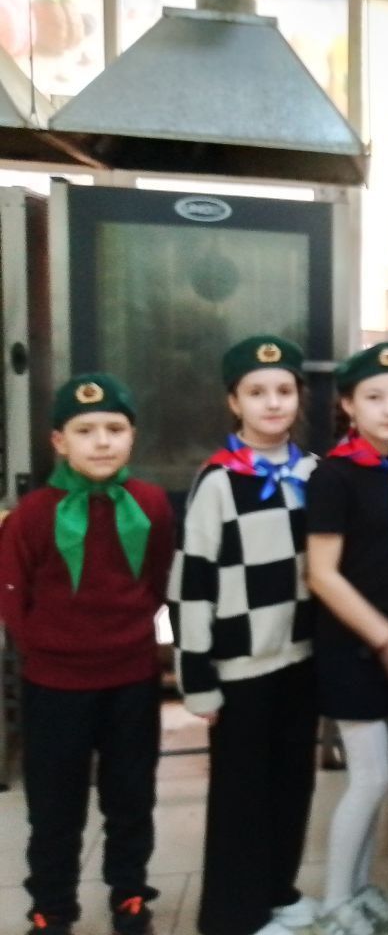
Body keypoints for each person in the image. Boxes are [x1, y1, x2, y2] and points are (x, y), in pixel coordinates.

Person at [0, 374, 174, 935]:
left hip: (131, 678)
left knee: (131, 797)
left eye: (115, 429)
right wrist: (48, 651)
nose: (102, 442)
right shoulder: (32, 514)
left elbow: (157, 581)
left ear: (132, 436)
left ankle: (129, 894)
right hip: (55, 685)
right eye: (85, 430)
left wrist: (136, 639)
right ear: (59, 441)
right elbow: (13, 597)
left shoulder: (149, 504)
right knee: (55, 806)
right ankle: (52, 906)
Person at [169, 337, 319, 935]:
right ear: (234, 402)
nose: (272, 403)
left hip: (300, 658)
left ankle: (278, 891)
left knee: (293, 783)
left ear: (299, 398)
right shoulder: (217, 482)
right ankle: (232, 916)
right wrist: (196, 678)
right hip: (240, 668)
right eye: (257, 392)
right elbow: (188, 587)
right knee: (240, 795)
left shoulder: (312, 473)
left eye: (284, 391)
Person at [307, 343, 388, 935]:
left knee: (378, 780)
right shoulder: (333, 475)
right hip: (352, 648)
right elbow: (322, 575)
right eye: (375, 398)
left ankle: (358, 890)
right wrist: (385, 638)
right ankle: (335, 904)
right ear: (349, 405)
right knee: (373, 777)